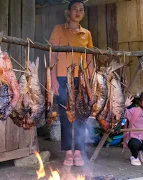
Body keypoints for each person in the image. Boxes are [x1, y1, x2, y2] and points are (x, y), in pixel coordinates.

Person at [49, 0, 93, 167]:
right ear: (68, 12)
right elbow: (52, 55)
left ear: (83, 13)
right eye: (74, 8)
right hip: (61, 77)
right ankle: (68, 152)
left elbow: (89, 58)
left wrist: (89, 80)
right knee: (66, 116)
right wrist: (52, 79)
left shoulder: (87, 34)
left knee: (81, 115)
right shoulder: (59, 30)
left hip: (81, 80)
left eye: (81, 9)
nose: (77, 11)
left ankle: (78, 151)